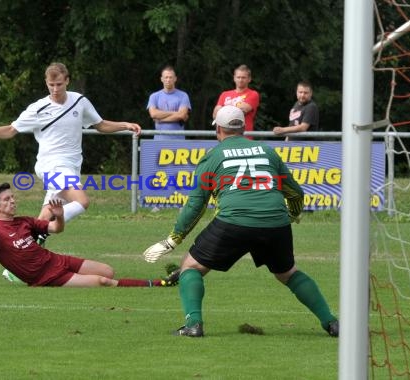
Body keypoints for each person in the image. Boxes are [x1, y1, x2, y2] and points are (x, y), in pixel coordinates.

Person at [142, 105, 339, 338]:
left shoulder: (213, 157)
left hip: (233, 223)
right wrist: (292, 215)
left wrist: (171, 241)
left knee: (191, 267)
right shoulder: (267, 151)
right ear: (243, 128)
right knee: (288, 273)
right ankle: (332, 323)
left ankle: (193, 325)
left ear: (219, 131)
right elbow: (295, 194)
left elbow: (196, 205)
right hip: (275, 224)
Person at [0, 62, 142, 228]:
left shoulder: (79, 101)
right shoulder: (38, 108)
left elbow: (100, 124)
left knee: (47, 212)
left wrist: (124, 125)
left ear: (67, 81)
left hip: (72, 165)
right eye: (51, 85)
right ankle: (39, 228)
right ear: (46, 83)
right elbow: (11, 129)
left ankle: (31, 240)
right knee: (82, 201)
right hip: (51, 165)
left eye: (59, 84)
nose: (55, 89)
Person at [0, 183, 180, 287]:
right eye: (6, 200)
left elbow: (56, 229)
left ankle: (154, 283)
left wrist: (59, 216)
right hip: (47, 277)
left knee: (108, 270)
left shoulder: (24, 221)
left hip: (56, 260)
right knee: (103, 282)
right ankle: (159, 284)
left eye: (13, 198)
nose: (12, 201)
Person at [213, 64, 260, 138]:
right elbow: (215, 114)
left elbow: (242, 110)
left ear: (249, 79)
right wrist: (235, 108)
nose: (240, 80)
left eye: (243, 77)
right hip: (225, 138)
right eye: (238, 77)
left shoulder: (253, 94)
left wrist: (223, 110)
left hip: (244, 137)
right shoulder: (224, 94)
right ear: (234, 78)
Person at [147, 65, 192, 140]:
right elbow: (153, 114)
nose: (168, 80)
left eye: (171, 77)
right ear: (161, 79)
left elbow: (181, 115)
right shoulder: (154, 96)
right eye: (166, 77)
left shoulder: (183, 95)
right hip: (159, 141)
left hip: (178, 141)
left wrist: (160, 120)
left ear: (175, 79)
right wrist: (176, 113)